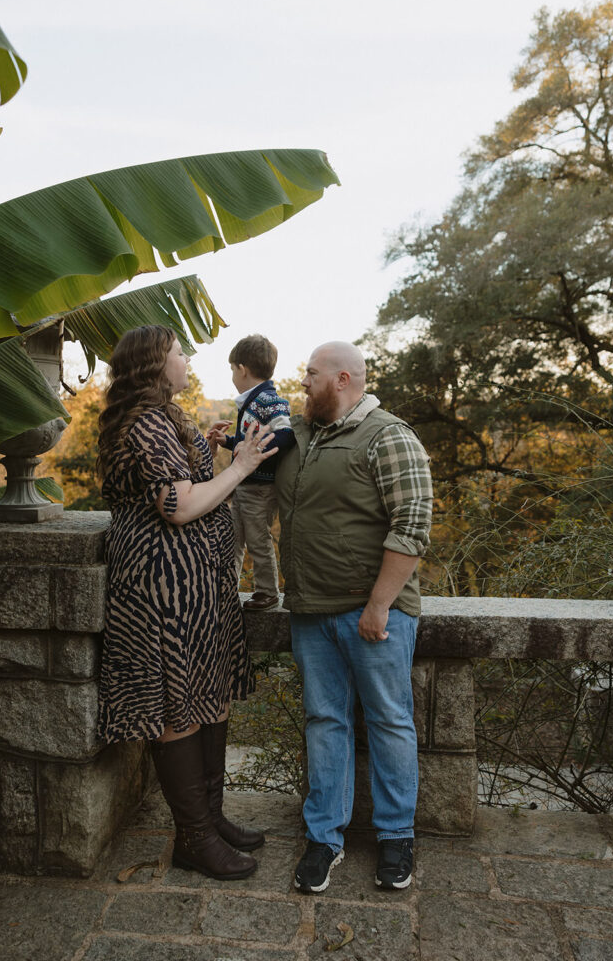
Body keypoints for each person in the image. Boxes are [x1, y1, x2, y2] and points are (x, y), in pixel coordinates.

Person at [96, 325, 278, 881]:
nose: (187, 359)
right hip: (162, 585)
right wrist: (240, 467)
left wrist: (206, 443)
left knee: (209, 690)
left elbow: (183, 472)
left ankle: (211, 817)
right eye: (179, 353)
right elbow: (176, 503)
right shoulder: (146, 422)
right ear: (155, 365)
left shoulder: (167, 417)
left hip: (198, 585)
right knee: (177, 699)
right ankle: (193, 838)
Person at [274, 341, 433, 893]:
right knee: (325, 721)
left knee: (389, 722)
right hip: (311, 610)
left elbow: (413, 523)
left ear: (342, 380)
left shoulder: (389, 435)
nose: (304, 383)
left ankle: (395, 837)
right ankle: (325, 838)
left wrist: (379, 605)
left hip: (374, 615)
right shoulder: (299, 435)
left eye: (311, 375)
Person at [206, 334, 295, 610]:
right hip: (243, 485)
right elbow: (247, 443)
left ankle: (268, 592)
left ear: (242, 369)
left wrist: (256, 451)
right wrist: (228, 442)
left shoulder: (270, 400)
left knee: (258, 540)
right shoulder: (251, 401)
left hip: (260, 487)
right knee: (233, 539)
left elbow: (286, 434)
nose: (232, 375)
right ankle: (227, 589)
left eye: (232, 369)